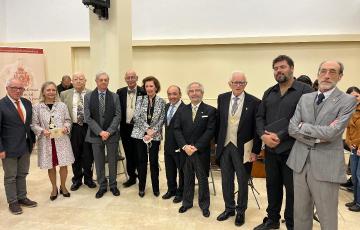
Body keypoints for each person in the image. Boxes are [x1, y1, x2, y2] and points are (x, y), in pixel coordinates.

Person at [287, 60, 356, 229]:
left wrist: (304, 127)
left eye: (332, 72)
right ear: (318, 74)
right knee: (300, 213)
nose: (327, 75)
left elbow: (333, 133)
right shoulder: (305, 98)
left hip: (327, 165)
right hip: (299, 162)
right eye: (323, 71)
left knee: (327, 215)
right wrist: (319, 135)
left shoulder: (347, 100)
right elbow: (292, 129)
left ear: (340, 76)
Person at [255, 55, 313, 230]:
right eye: (275, 68)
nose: (278, 71)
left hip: (294, 150)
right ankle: (272, 220)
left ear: (292, 68)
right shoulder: (269, 92)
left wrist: (280, 135)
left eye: (282, 67)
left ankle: (292, 224)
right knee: (272, 186)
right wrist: (263, 136)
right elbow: (259, 117)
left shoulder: (306, 91)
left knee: (293, 191)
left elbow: (304, 119)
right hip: (271, 151)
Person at [216, 71, 261, 226]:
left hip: (243, 149)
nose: (238, 85)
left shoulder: (254, 102)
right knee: (226, 180)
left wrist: (256, 150)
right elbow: (219, 123)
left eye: (242, 83)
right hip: (225, 146)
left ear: (245, 84)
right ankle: (229, 208)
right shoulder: (222, 98)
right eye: (235, 82)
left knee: (242, 181)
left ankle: (240, 211)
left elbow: (257, 129)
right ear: (230, 84)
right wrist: (217, 143)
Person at [174, 82, 216, 218]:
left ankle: (204, 205)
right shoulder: (181, 110)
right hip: (185, 151)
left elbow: (210, 131)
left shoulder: (210, 110)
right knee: (187, 178)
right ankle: (186, 203)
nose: (194, 93)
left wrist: (196, 147)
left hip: (201, 151)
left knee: (202, 180)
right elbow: (177, 130)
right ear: (188, 94)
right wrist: (185, 146)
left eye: (197, 90)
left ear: (202, 93)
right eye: (191, 91)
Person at [31, 81, 75, 201]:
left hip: (61, 139)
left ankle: (63, 186)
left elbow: (68, 120)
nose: (51, 92)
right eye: (48, 90)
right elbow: (33, 124)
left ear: (56, 92)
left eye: (53, 90)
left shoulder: (62, 106)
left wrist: (66, 127)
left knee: (64, 164)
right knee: (51, 165)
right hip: (46, 141)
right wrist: (42, 131)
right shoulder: (37, 107)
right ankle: (54, 188)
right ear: (43, 92)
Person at [0, 78, 37, 214]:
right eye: (14, 88)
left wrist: (32, 140)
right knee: (10, 176)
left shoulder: (27, 103)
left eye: (20, 88)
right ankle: (13, 202)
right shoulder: (1, 105)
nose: (17, 90)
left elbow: (28, 125)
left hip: (25, 146)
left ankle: (22, 197)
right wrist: (0, 149)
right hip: (8, 148)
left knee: (22, 173)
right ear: (7, 88)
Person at [84, 72, 121, 198]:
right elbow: (88, 117)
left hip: (112, 135)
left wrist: (109, 131)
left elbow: (118, 115)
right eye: (101, 80)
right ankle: (102, 186)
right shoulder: (88, 97)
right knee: (99, 162)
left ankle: (113, 185)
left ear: (108, 81)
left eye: (106, 80)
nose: (103, 82)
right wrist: (100, 132)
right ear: (96, 81)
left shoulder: (115, 96)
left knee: (112, 161)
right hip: (95, 135)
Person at [60, 72, 96, 191]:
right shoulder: (64, 94)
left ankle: (88, 179)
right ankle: (77, 180)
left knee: (88, 155)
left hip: (88, 127)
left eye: (81, 79)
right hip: (73, 128)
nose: (78, 81)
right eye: (76, 79)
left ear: (85, 81)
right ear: (72, 81)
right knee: (75, 155)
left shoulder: (92, 93)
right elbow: (61, 113)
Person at [131, 76, 166, 197]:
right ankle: (141, 187)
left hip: (155, 136)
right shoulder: (140, 99)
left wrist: (152, 132)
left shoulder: (162, 101)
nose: (149, 88)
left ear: (156, 87)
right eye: (146, 86)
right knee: (141, 161)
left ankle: (156, 188)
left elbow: (162, 119)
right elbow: (136, 117)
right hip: (139, 134)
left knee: (154, 162)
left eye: (151, 86)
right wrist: (147, 130)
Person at [116, 70, 145, 188]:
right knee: (128, 153)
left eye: (133, 77)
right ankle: (132, 177)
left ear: (137, 78)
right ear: (125, 79)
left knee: (139, 154)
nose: (130, 79)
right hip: (125, 128)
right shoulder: (120, 92)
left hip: (139, 128)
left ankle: (142, 178)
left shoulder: (143, 92)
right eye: (128, 77)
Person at [162, 85, 185, 203]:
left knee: (181, 171)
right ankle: (171, 189)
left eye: (174, 94)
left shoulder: (185, 108)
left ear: (180, 94)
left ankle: (181, 192)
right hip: (168, 145)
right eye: (169, 94)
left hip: (180, 147)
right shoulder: (166, 107)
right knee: (169, 170)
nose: (172, 96)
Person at [344, 86, 360, 211]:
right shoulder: (349, 111)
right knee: (354, 176)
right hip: (354, 148)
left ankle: (359, 204)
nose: (354, 99)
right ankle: (355, 200)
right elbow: (348, 130)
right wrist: (349, 143)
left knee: (359, 176)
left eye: (357, 96)